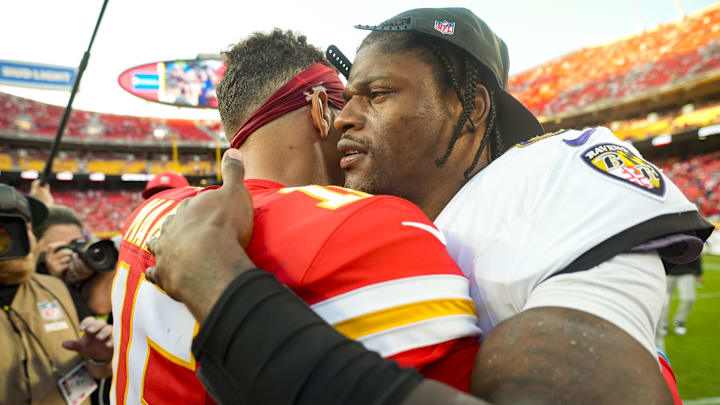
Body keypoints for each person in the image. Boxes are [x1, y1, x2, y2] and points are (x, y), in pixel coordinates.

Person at [148, 7, 714, 405]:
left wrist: (219, 284)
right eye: (347, 98)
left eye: (378, 94)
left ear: (469, 107)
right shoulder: (389, 222)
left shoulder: (554, 181)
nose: (343, 118)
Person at [111, 30, 481, 405]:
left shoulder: (154, 209)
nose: (351, 119)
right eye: (345, 102)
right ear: (321, 110)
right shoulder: (366, 225)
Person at [0, 184, 112, 405]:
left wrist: (99, 358)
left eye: (29, 228)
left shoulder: (57, 288)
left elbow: (95, 373)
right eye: (8, 230)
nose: (26, 239)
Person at [34, 205, 114, 318]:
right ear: (34, 244)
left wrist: (93, 273)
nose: (71, 254)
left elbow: (100, 307)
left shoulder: (91, 273)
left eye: (76, 244)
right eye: (61, 248)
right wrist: (51, 278)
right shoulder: (25, 285)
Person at [659, 257, 703, 337]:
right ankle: (663, 324)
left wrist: (699, 273)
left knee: (689, 298)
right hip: (667, 273)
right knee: (663, 300)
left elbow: (697, 256)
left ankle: (679, 322)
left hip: (687, 273)